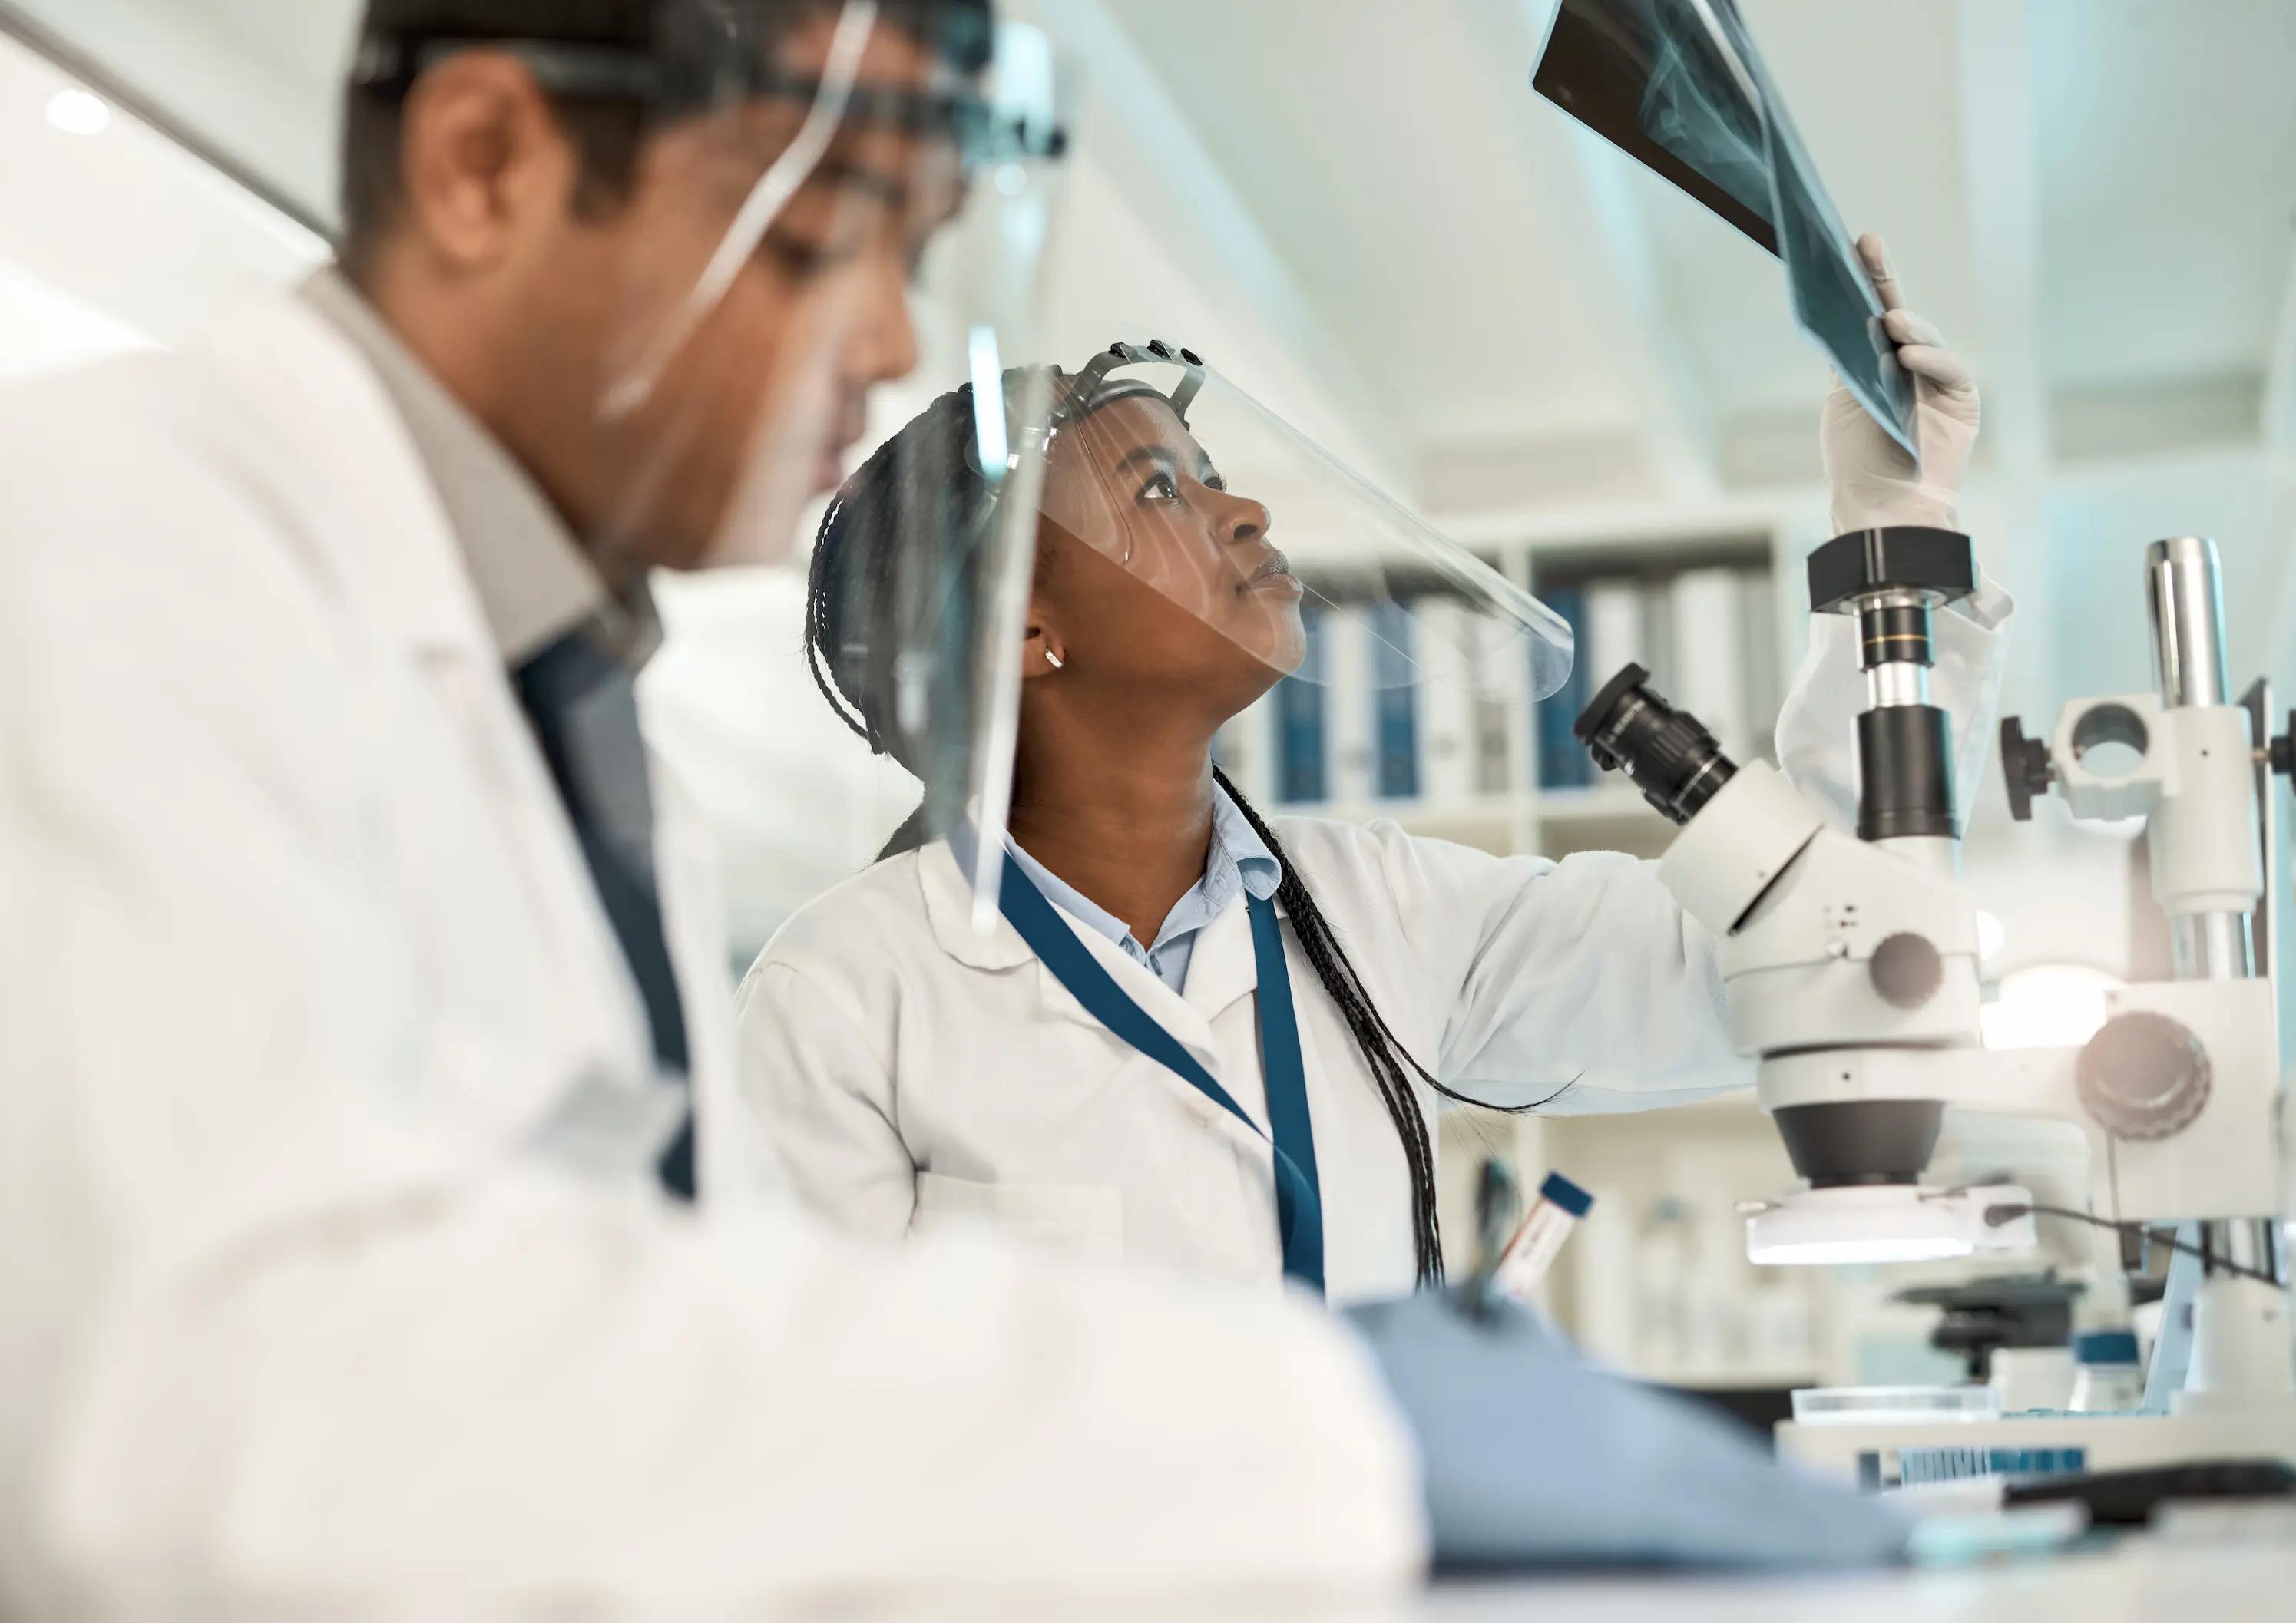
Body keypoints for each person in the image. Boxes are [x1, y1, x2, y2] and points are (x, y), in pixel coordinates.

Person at [0, 0, 1913, 1606]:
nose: (903, 339)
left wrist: (1898, 562)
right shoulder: (114, 543)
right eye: (834, 220)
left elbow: (1800, 949)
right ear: (489, 159)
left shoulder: (567, 727)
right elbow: (230, 1418)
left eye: (920, 248)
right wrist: (1328, 1428)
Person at [736, 249, 2006, 1304]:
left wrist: (1891, 540)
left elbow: (1826, 947)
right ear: (1024, 629)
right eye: (1162, 490)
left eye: (1220, 480)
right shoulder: (847, 989)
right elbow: (819, 1443)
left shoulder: (1386, 917)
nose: (1248, 520)